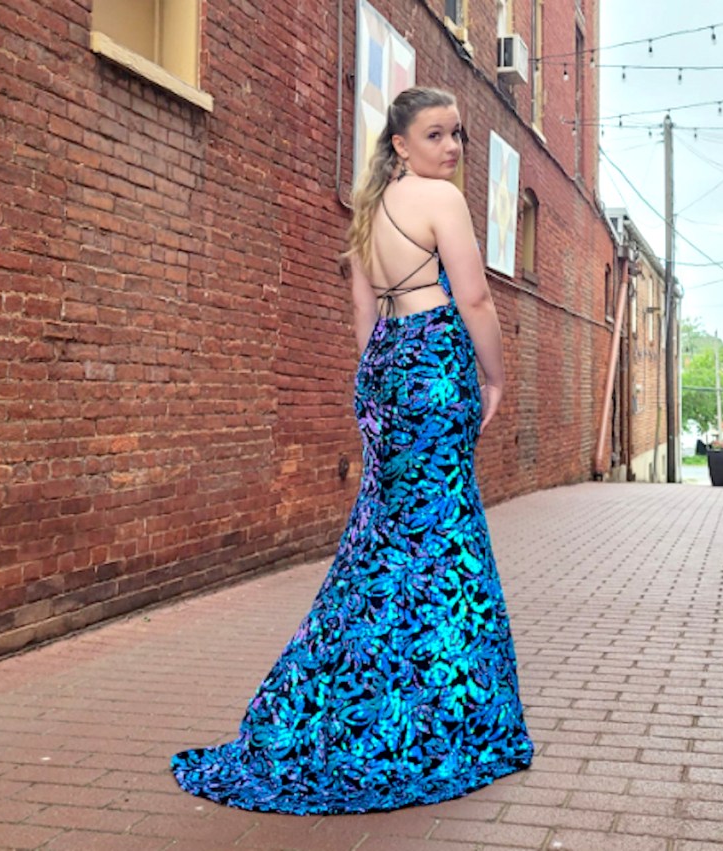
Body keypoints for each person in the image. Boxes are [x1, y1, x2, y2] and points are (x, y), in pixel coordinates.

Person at [170, 86, 533, 815]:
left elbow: (363, 323)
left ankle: (364, 700)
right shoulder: (441, 202)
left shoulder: (369, 212)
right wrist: (492, 377)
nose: (452, 149)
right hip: (433, 365)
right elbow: (478, 300)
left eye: (457, 135)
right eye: (436, 135)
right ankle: (446, 715)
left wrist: (381, 394)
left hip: (387, 378)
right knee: (446, 542)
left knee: (384, 544)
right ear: (401, 143)